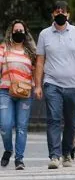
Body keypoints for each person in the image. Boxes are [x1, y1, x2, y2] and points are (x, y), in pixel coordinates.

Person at [34, 0, 75, 169]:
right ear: (53, 14)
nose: (60, 14)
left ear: (68, 14)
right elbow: (40, 61)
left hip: (74, 85)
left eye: (63, 11)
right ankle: (54, 156)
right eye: (57, 11)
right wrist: (38, 85)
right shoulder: (45, 34)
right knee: (53, 119)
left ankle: (67, 153)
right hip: (52, 83)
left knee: (72, 122)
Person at [0, 20, 37, 170]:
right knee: (5, 125)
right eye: (16, 30)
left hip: (25, 92)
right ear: (11, 32)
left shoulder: (31, 52)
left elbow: (36, 71)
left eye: (21, 30)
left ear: (25, 33)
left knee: (22, 127)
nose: (19, 32)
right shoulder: (3, 48)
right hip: (5, 91)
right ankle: (8, 149)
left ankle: (19, 159)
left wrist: (37, 85)